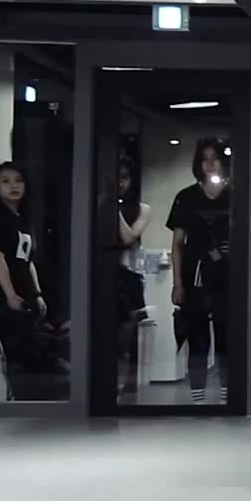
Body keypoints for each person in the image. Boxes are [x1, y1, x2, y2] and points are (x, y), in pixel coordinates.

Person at [167, 139, 232, 404]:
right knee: (197, 336)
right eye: (205, 159)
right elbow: (177, 244)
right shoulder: (186, 197)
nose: (210, 164)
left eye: (215, 158)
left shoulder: (235, 195)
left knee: (228, 335)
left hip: (229, 274)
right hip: (195, 273)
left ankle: (229, 393)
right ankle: (198, 395)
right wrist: (177, 283)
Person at [0, 162, 48, 401]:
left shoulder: (22, 220)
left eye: (18, 180)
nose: (13, 186)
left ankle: (25, 399)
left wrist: (37, 294)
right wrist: (9, 295)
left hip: (22, 296)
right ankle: (11, 402)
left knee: (27, 351)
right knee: (7, 353)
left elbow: (28, 261)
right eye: (6, 181)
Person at [116, 156, 152, 398]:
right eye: (116, 178)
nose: (120, 183)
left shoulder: (143, 209)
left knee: (129, 336)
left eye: (124, 177)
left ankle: (128, 386)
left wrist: (114, 210)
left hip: (129, 276)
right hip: (105, 274)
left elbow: (129, 237)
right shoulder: (96, 204)